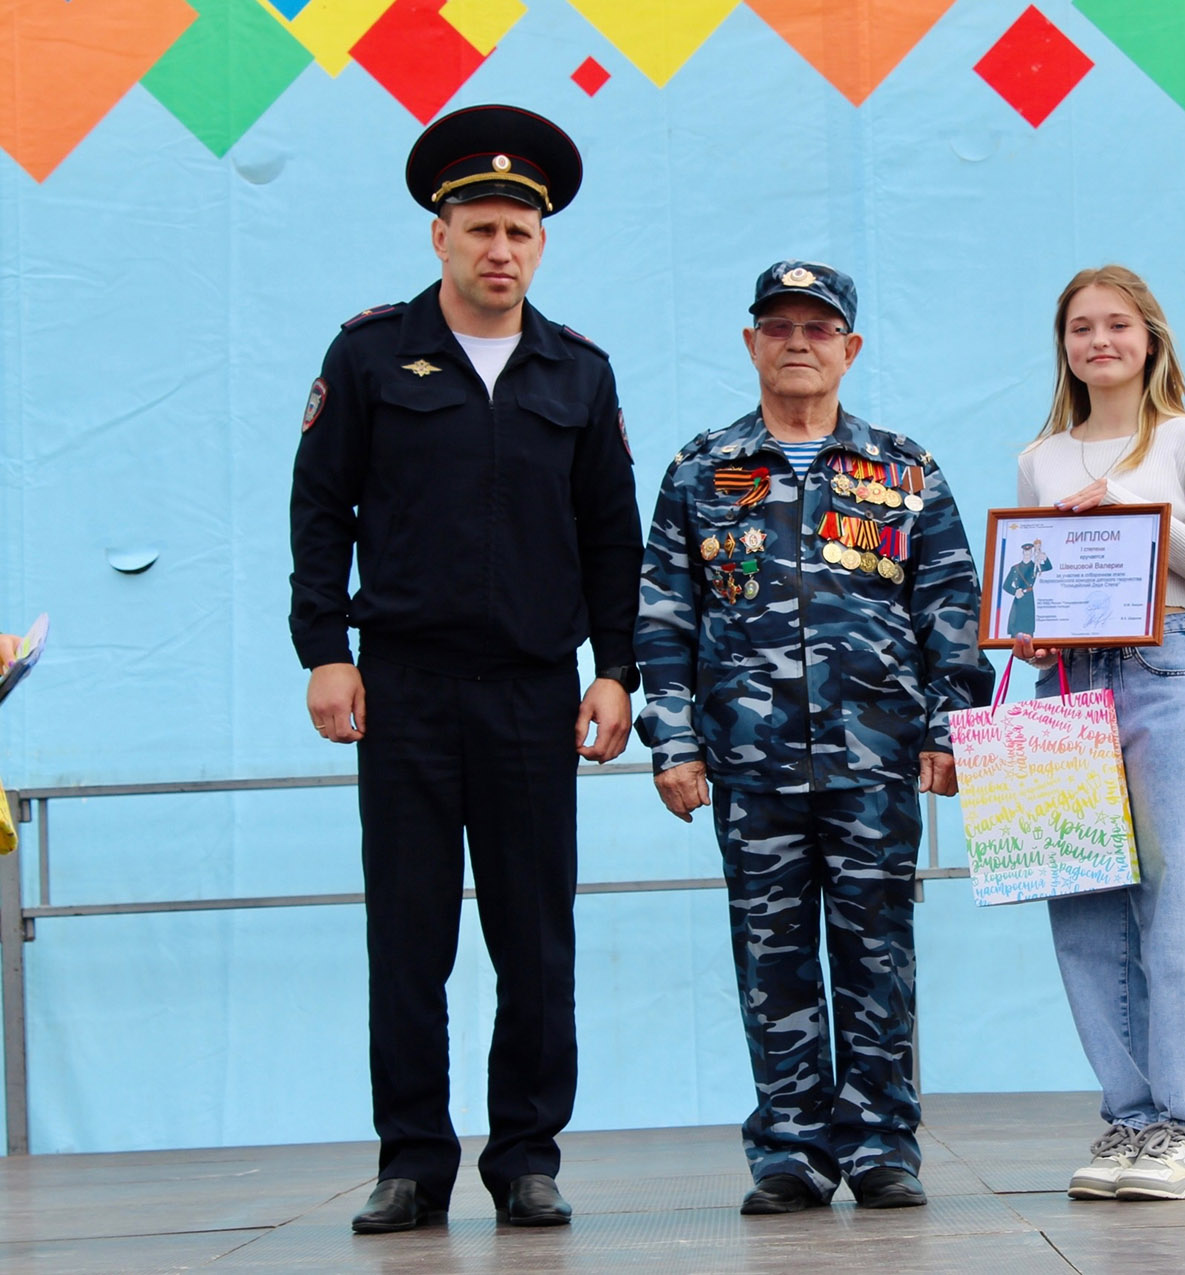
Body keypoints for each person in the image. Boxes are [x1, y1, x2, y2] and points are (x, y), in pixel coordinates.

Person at [288, 104, 641, 1232]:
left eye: (519, 233)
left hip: (533, 691)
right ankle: (413, 1162)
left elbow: (610, 539)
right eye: (480, 227)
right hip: (403, 690)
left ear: (542, 246)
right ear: (438, 235)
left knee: (535, 938)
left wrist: (616, 669)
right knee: (410, 934)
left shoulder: (577, 373)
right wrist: (324, 654)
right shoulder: (370, 353)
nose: (500, 250)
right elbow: (318, 509)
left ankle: (526, 1156)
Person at [634, 261, 993, 1215]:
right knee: (772, 957)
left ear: (850, 348)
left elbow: (950, 605)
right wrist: (672, 742)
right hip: (749, 766)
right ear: (750, 343)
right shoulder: (700, 469)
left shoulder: (905, 470)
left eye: (818, 327)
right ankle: (790, 1149)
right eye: (778, 325)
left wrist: (950, 725)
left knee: (880, 953)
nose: (798, 341)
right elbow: (664, 618)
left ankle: (882, 1145)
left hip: (876, 760)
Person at [1012, 265, 1185, 1201]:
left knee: (1180, 900)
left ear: (1150, 338)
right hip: (1065, 674)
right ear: (1064, 345)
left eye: (1117, 324)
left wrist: (1143, 519)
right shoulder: (1042, 458)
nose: (1098, 341)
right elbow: (1035, 574)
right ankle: (1129, 1119)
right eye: (1081, 327)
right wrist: (1022, 621)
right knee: (1079, 901)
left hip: (1162, 670)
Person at [1003, 540, 1052, 637]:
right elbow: (1006, 585)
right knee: (1016, 626)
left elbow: (1048, 567)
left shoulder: (1035, 566)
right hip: (1019, 599)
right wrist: (1015, 592)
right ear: (1023, 552)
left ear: (1032, 553)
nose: (1027, 554)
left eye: (1029, 552)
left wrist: (1045, 558)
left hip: (1029, 598)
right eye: (1026, 552)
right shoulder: (1015, 568)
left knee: (1028, 628)